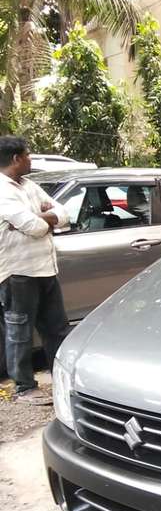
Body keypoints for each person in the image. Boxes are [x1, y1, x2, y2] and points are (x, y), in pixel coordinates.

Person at [0, 136, 71, 405]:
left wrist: (46, 219)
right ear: (16, 158)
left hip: (45, 269)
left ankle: (60, 380)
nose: (30, 159)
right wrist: (44, 220)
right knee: (19, 331)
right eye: (28, 155)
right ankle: (24, 388)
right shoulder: (2, 190)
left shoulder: (28, 185)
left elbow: (63, 214)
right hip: (17, 273)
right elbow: (35, 227)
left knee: (56, 329)